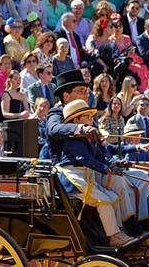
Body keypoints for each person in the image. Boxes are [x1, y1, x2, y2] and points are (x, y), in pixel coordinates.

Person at [56, 99, 134, 248]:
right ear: (76, 120)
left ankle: (119, 232)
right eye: (87, 116)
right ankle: (113, 237)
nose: (92, 120)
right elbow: (84, 159)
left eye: (92, 117)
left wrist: (114, 163)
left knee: (113, 197)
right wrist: (107, 169)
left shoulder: (89, 138)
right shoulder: (72, 139)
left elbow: (100, 156)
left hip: (85, 176)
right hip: (72, 177)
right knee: (103, 200)